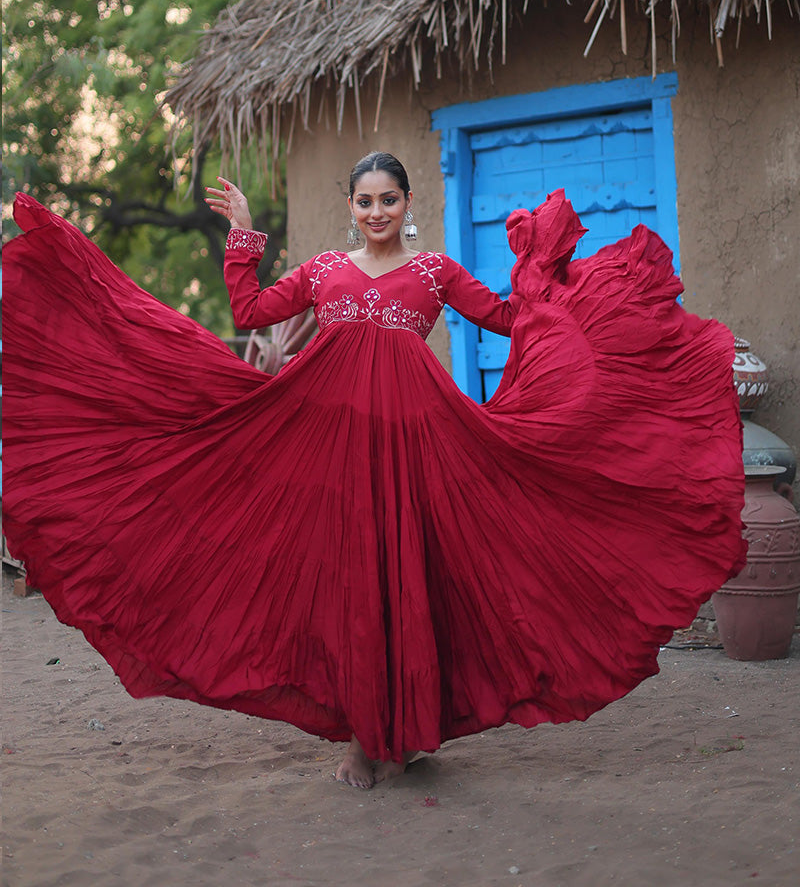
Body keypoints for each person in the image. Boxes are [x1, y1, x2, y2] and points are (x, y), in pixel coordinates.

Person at [4, 152, 745, 791]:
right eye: (365, 201)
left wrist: (546, 281)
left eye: (389, 199)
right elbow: (251, 309)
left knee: (418, 577)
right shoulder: (324, 271)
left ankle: (413, 730)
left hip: (424, 445)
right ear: (350, 208)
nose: (377, 211)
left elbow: (509, 320)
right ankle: (365, 740)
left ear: (408, 204)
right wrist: (243, 233)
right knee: (353, 581)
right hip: (335, 450)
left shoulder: (435, 271)